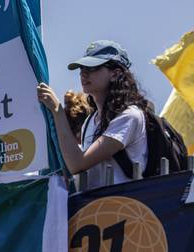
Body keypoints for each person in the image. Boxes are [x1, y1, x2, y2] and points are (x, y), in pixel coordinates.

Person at [38, 40, 152, 187]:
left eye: (93, 67)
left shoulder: (130, 116)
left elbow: (77, 164)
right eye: (82, 68)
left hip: (122, 207)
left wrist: (57, 111)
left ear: (115, 74)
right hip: (96, 208)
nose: (83, 73)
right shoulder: (90, 121)